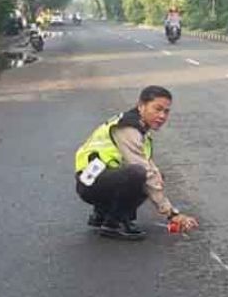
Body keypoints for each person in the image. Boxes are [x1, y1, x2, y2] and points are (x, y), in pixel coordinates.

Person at [75, 86, 199, 241]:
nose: (162, 116)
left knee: (154, 175)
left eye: (166, 111)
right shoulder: (128, 128)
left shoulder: (139, 126)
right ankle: (114, 223)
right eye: (157, 109)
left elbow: (148, 164)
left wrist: (158, 176)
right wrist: (171, 214)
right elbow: (144, 170)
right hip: (89, 184)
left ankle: (102, 214)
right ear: (141, 106)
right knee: (138, 174)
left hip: (97, 179)